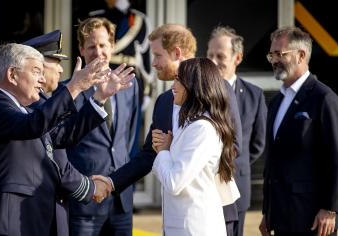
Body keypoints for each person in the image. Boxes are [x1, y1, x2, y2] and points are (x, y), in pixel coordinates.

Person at [0, 43, 134, 235]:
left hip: (30, 219)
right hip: (5, 222)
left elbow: (61, 136)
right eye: (36, 71)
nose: (42, 79)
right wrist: (74, 87)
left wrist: (99, 98)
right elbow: (32, 125)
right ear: (12, 75)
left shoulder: (24, 111)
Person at [94, 23, 243, 236]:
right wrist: (111, 182)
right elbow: (148, 154)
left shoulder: (217, 89)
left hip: (210, 213)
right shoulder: (164, 101)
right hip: (174, 218)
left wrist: (177, 157)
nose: (153, 64)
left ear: (176, 53)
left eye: (157, 55)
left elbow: (233, 146)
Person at [259, 26, 338, 236]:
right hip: (282, 216)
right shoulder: (276, 102)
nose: (274, 60)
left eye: (280, 54)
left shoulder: (324, 99)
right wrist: (268, 212)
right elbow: (273, 161)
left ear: (301, 55)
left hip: (313, 219)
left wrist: (331, 209)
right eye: (271, 54)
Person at [66, 17, 139, 236]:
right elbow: (63, 142)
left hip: (122, 199)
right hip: (85, 200)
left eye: (103, 45)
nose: (98, 52)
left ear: (112, 46)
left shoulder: (130, 85)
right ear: (81, 49)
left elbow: (130, 137)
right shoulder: (70, 91)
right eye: (91, 46)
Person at [151, 57, 238, 235]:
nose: (172, 86)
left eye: (178, 79)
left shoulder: (202, 128)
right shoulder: (192, 123)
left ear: (194, 85)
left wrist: (163, 152)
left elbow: (174, 183)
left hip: (195, 228)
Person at [207, 26, 267, 236]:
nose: (213, 61)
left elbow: (258, 144)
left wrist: (231, 163)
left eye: (220, 55)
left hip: (236, 185)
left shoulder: (254, 95)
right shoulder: (197, 93)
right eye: (210, 55)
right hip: (203, 190)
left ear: (237, 58)